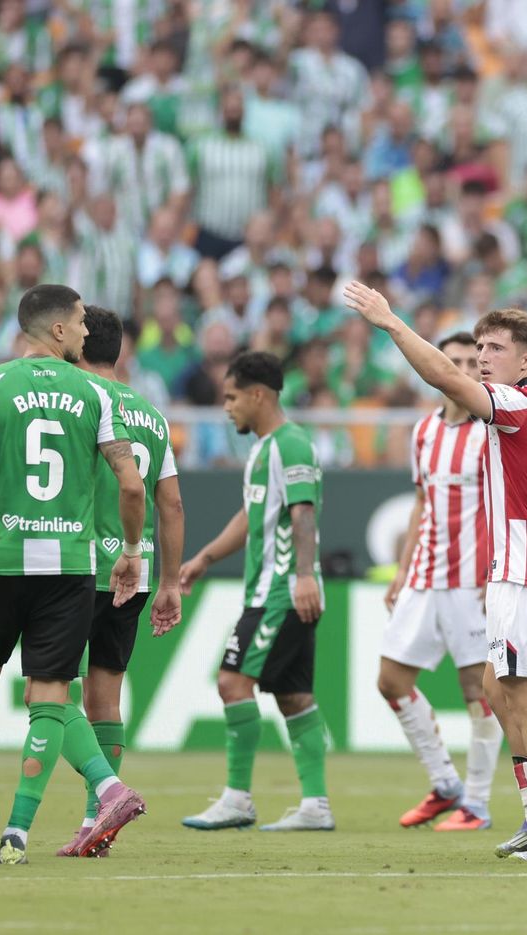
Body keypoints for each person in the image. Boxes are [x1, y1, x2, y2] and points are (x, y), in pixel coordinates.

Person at [344, 281, 527, 862]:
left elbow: (444, 379)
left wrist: (391, 322)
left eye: (495, 348)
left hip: (524, 573)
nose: (482, 357)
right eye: (479, 346)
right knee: (494, 689)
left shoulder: (516, 404)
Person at [0, 284, 148, 865]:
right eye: (81, 321)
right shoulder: (99, 392)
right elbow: (131, 484)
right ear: (59, 329)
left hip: (3, 558)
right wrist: (131, 550)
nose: (88, 332)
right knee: (50, 696)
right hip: (70, 567)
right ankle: (18, 834)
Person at [178, 352, 332, 832]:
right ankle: (315, 806)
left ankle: (238, 799)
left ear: (258, 395)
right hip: (276, 590)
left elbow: (303, 514)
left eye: (232, 397)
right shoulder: (264, 450)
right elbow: (251, 516)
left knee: (232, 682)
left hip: (281, 592)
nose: (227, 407)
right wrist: (204, 558)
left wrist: (303, 576)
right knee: (293, 695)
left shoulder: (291, 445)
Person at [53, 305, 185, 857]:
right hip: (136, 572)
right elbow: (171, 504)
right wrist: (171, 582)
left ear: (79, 344)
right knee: (105, 699)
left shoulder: (78, 400)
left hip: (80, 565)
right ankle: (95, 822)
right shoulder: (152, 415)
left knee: (48, 692)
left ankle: (105, 795)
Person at [379, 332, 502, 832]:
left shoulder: (490, 431)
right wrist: (402, 569)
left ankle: (477, 804)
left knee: (478, 689)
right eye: (455, 361)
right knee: (390, 680)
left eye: (474, 362)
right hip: (424, 575)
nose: (465, 369)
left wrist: (496, 569)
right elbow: (421, 502)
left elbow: (505, 505)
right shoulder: (424, 431)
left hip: (471, 581)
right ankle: (445, 783)